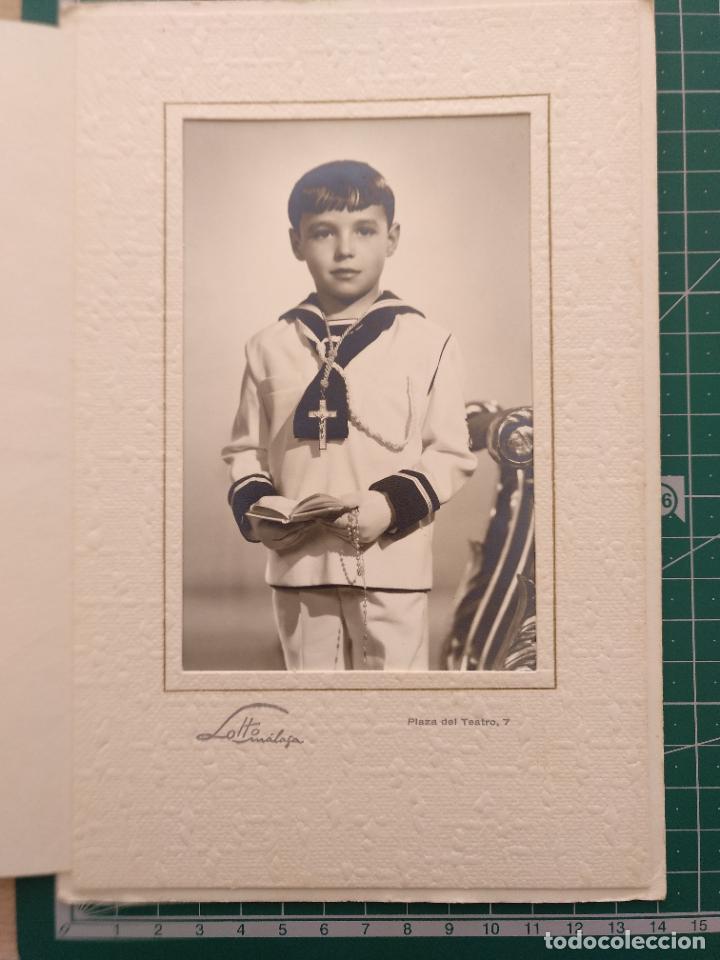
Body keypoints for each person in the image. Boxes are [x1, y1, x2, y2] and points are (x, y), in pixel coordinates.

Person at [221, 159, 476, 671]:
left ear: (392, 237)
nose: (344, 249)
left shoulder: (430, 343)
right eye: (322, 233)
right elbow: (245, 448)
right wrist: (258, 506)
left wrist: (391, 504)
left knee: (395, 704)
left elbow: (450, 452)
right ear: (296, 242)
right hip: (298, 564)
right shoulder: (267, 347)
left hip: (391, 560)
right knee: (312, 702)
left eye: (364, 229)